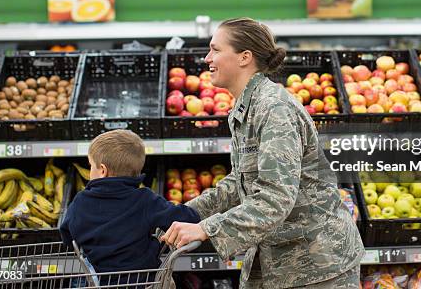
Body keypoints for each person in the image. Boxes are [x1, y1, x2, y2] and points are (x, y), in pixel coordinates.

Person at [161, 18, 364, 288]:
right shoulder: (247, 107)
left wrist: (207, 228)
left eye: (216, 50)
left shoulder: (273, 109)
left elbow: (276, 197)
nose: (208, 57)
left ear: (245, 57)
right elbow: (241, 181)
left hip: (318, 265)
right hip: (280, 258)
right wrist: (184, 213)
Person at [60, 129, 200, 285]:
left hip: (103, 283)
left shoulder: (81, 201)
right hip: (147, 282)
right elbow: (186, 218)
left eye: (90, 165)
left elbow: (67, 234)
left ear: (102, 170)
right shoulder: (145, 199)